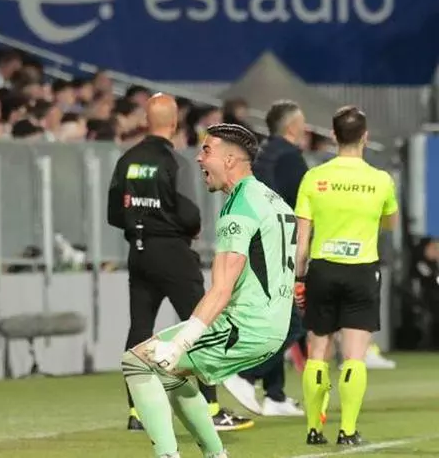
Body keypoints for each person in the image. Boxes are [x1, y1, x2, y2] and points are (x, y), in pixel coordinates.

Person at [122, 124, 296, 458]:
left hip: (244, 327)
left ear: (230, 160)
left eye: (206, 151)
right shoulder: (273, 200)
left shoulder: (240, 208)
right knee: (172, 372)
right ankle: (215, 455)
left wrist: (181, 342)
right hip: (271, 324)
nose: (199, 158)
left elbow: (221, 290)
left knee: (137, 362)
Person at [107, 93, 252, 433]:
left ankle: (138, 413)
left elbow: (114, 212)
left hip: (139, 251)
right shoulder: (176, 162)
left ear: (146, 120)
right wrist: (188, 226)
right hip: (172, 251)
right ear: (173, 123)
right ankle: (211, 408)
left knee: (140, 329)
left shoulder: (127, 160)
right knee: (201, 323)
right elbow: (188, 212)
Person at [295, 106, 398, 446]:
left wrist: (298, 277)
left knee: (318, 351)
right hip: (361, 271)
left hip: (322, 269)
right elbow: (389, 223)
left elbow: (302, 239)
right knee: (354, 356)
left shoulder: (314, 178)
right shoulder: (381, 180)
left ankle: (313, 428)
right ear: (365, 137)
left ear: (334, 135)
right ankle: (348, 431)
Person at [222, 100, 308, 417]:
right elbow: (302, 205)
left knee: (275, 315)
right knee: (291, 323)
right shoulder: (291, 158)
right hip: (277, 243)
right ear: (292, 127)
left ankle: (275, 394)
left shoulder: (261, 154)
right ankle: (246, 374)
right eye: (302, 122)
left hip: (254, 239)